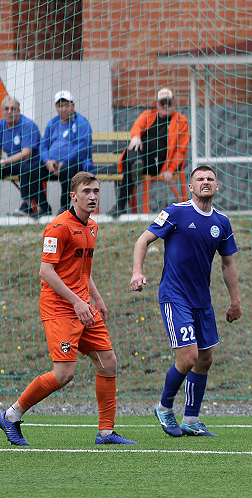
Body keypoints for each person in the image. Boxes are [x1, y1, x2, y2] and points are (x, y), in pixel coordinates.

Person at [0, 172, 136, 446]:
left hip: (84, 306)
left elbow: (82, 269)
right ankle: (11, 415)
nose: (93, 196)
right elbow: (46, 271)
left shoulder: (92, 226)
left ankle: (106, 433)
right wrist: (76, 301)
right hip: (60, 309)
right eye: (87, 191)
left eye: (96, 191)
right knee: (64, 374)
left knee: (108, 363)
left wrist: (96, 298)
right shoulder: (58, 227)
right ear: (73, 195)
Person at [131, 165, 242, 437]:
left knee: (205, 359)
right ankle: (164, 407)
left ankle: (191, 420)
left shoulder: (222, 222)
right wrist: (137, 271)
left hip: (202, 300)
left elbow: (228, 264)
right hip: (175, 296)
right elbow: (143, 240)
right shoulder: (176, 212)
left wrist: (235, 301)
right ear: (190, 187)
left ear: (217, 187)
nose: (205, 182)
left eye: (210, 179)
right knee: (189, 357)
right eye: (200, 179)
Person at [109, 87, 190, 217]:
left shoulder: (181, 121)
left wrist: (171, 168)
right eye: (162, 103)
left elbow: (181, 150)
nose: (165, 106)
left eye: (168, 102)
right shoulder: (149, 115)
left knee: (133, 157)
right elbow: (138, 125)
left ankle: (120, 205)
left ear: (174, 103)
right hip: (141, 159)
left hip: (158, 163)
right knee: (133, 150)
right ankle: (136, 165)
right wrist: (135, 136)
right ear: (157, 104)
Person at [39, 90, 95, 214]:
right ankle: (43, 207)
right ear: (56, 108)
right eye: (60, 106)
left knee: (67, 169)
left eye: (66, 105)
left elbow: (82, 147)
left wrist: (64, 162)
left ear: (73, 106)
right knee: (31, 169)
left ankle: (64, 208)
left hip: (75, 164)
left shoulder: (81, 122)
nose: (63, 109)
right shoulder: (52, 123)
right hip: (53, 165)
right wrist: (47, 160)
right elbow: (43, 145)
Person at [0, 96, 50, 217]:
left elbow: (26, 154)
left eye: (13, 109)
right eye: (6, 109)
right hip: (12, 163)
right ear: (2, 111)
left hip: (34, 163)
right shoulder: (1, 125)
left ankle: (26, 204)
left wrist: (3, 162)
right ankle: (39, 207)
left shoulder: (28, 125)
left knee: (25, 166)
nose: (9, 112)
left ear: (19, 111)